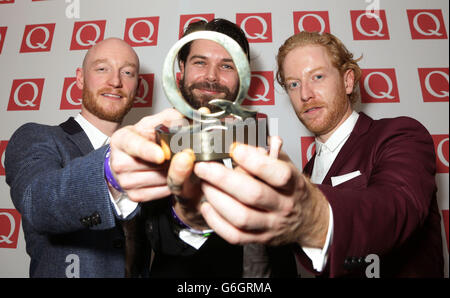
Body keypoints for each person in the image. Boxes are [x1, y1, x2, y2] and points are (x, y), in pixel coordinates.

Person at [178, 31, 444, 277]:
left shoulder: (398, 135)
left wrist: (311, 214)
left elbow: (395, 210)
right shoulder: (305, 172)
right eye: (293, 84)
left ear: (348, 80)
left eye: (317, 77)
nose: (305, 94)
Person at [109, 19, 298, 277]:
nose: (211, 76)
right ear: (181, 69)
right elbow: (153, 238)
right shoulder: (154, 143)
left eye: (227, 65)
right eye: (200, 62)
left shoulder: (264, 145)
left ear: (242, 74)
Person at [4, 37, 156, 277]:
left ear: (137, 86)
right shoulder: (37, 137)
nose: (115, 81)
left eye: (127, 72)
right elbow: (37, 202)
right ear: (80, 78)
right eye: (102, 68)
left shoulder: (150, 158)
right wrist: (111, 171)